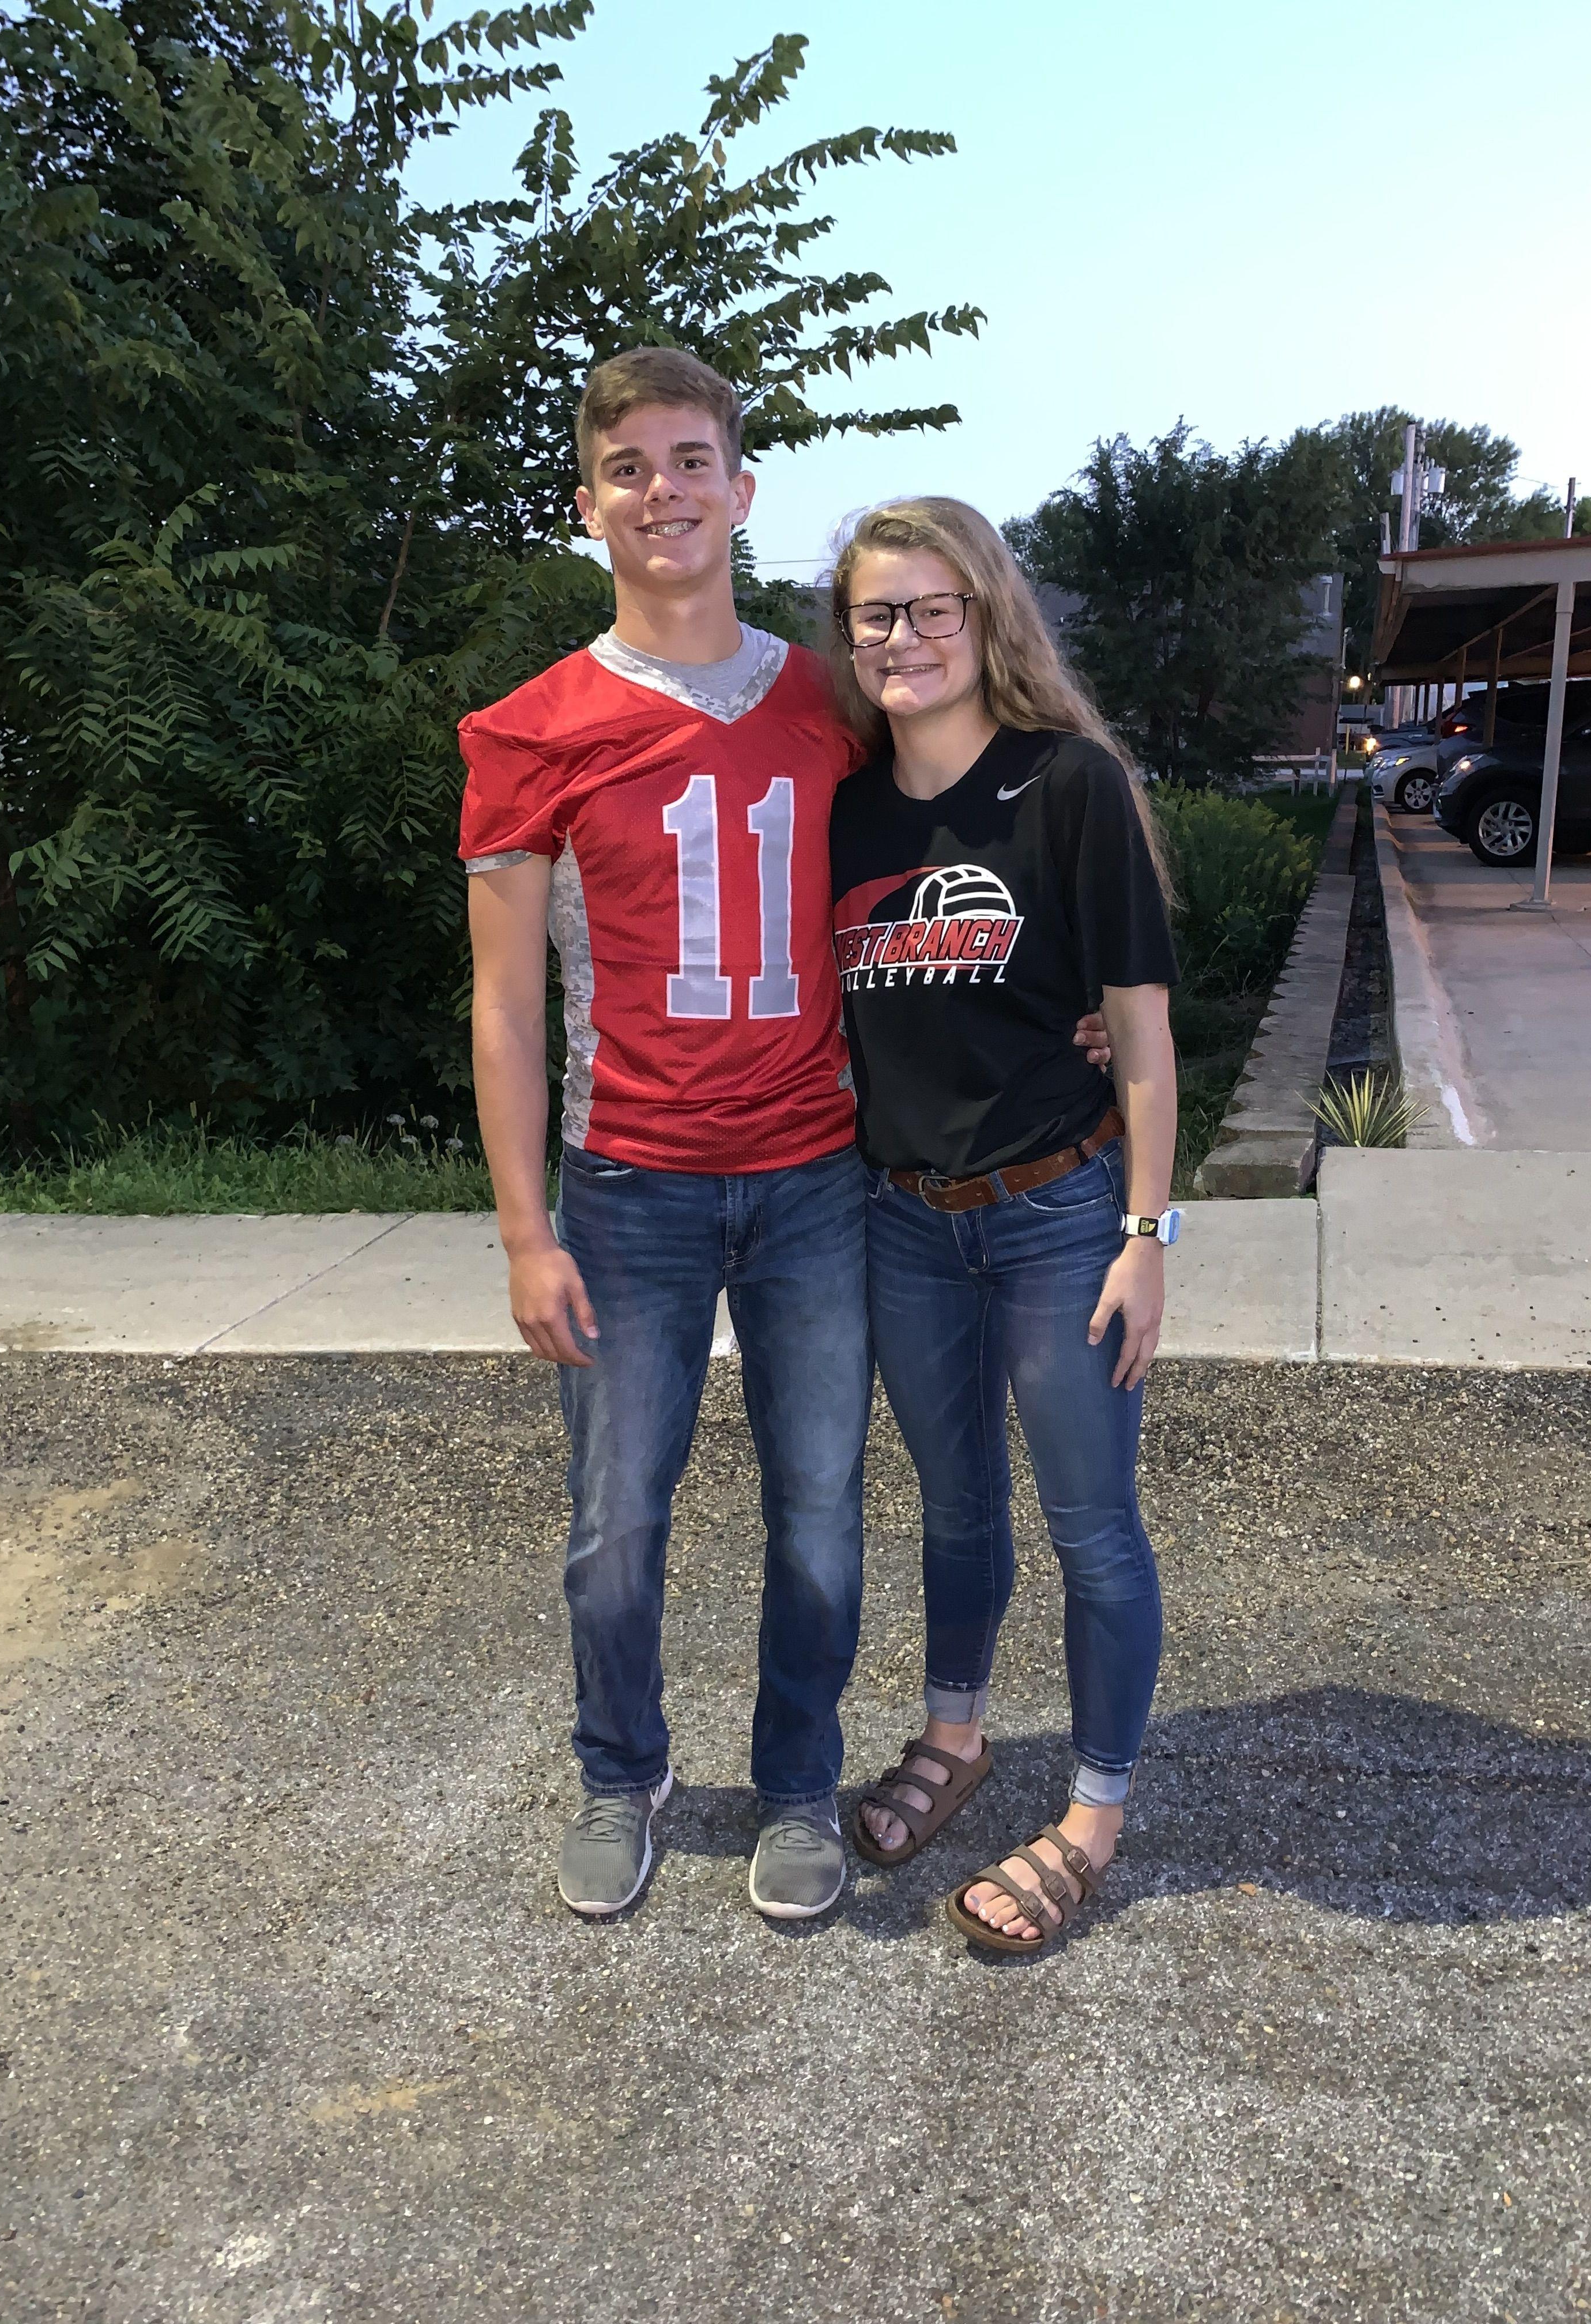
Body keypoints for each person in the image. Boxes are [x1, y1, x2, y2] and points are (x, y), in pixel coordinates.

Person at [459, 354, 1108, 1925]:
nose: (665, 490)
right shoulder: (529, 728)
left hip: (821, 1174)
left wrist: (1073, 993)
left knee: (820, 1510)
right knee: (616, 1525)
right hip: (633, 1189)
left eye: (695, 459)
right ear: (588, 504)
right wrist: (524, 1228)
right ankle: (624, 1773)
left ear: (743, 492)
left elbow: (981, 823)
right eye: (630, 466)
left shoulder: (828, 697)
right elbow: (500, 1009)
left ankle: (799, 1785)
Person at [825, 496, 1182, 1953]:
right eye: (874, 616)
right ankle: (957, 1733)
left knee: (1093, 1522)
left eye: (929, 610)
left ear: (985, 618)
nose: (902, 640)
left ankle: (1096, 1807)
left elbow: (1146, 1040)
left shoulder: (1071, 786)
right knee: (953, 1504)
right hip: (902, 1224)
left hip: (1057, 1217)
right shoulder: (846, 808)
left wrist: (1148, 1235)